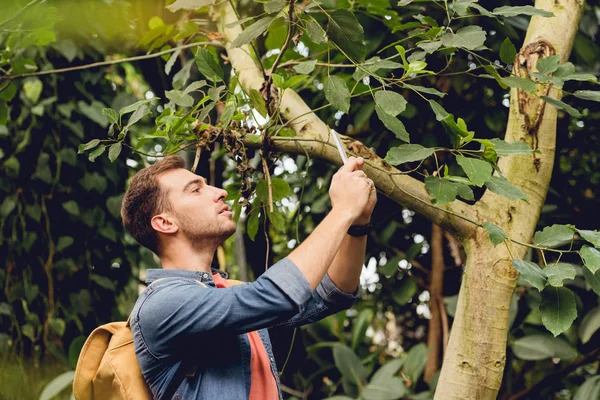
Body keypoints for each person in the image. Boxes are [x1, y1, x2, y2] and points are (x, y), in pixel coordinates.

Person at [121, 154, 377, 400]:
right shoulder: (163, 304)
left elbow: (331, 295)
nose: (219, 192)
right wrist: (342, 210)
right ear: (165, 223)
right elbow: (276, 296)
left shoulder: (227, 292)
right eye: (195, 190)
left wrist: (357, 223)